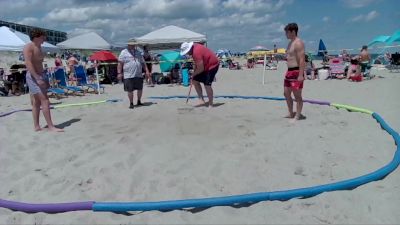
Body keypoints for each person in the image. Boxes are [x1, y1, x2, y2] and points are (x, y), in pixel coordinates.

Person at [23, 28, 63, 132]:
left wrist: (45, 78)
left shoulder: (39, 47)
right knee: (45, 100)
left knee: (36, 102)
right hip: (33, 76)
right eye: (42, 36)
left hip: (41, 75)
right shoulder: (29, 47)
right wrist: (37, 77)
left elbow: (39, 63)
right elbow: (28, 63)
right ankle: (50, 126)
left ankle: (36, 126)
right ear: (36, 37)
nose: (44, 38)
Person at [180, 42, 219, 107]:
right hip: (205, 65)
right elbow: (197, 62)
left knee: (207, 84)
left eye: (186, 52)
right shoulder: (193, 49)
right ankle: (201, 100)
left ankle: (211, 104)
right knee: (195, 80)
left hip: (212, 65)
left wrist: (193, 74)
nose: (186, 53)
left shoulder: (196, 52)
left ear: (189, 49)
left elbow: (201, 68)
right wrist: (194, 71)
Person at [283, 23, 306, 121]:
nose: (286, 34)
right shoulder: (290, 43)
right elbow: (290, 56)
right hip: (289, 71)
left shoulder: (298, 43)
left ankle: (298, 115)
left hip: (296, 72)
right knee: (286, 93)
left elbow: (302, 59)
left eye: (287, 32)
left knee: (297, 96)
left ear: (293, 31)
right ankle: (291, 112)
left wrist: (301, 75)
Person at [117, 41, 150, 109]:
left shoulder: (138, 52)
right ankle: (131, 103)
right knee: (130, 90)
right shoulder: (124, 52)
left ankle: (139, 101)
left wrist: (147, 71)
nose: (133, 46)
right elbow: (120, 63)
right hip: (128, 75)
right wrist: (119, 73)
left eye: (134, 45)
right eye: (131, 45)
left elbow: (143, 63)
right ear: (128, 45)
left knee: (140, 88)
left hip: (138, 74)